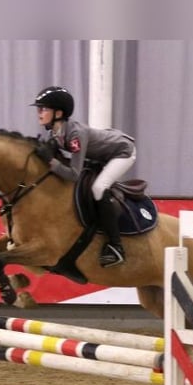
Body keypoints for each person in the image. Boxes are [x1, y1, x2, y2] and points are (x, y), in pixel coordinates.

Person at [31, 85, 136, 268]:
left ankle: (116, 246)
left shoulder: (74, 134)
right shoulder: (55, 132)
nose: (39, 113)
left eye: (44, 109)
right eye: (39, 108)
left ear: (58, 113)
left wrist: (51, 162)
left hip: (122, 152)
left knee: (98, 188)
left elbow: (73, 174)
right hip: (101, 154)